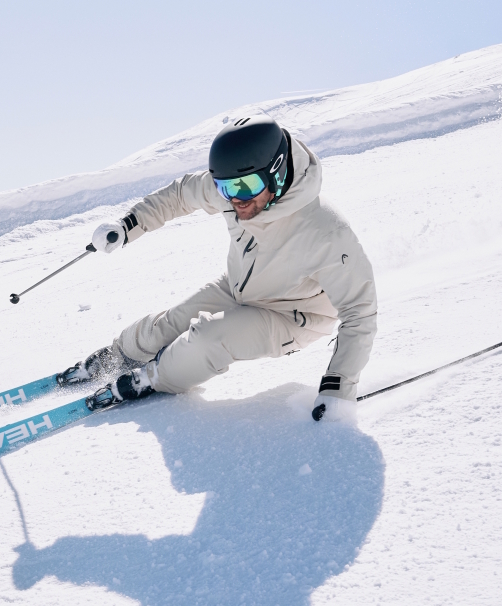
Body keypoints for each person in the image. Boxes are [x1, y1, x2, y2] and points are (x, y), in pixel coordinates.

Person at [63, 115, 377, 422]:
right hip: (239, 287)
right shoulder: (237, 188)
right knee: (167, 325)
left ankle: (153, 377)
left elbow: (359, 312)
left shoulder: (325, 231)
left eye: (246, 186)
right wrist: (128, 225)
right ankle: (118, 355)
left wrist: (338, 387)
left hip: (292, 317)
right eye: (225, 187)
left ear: (277, 173)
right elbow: (179, 195)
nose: (235, 199)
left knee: (206, 339)